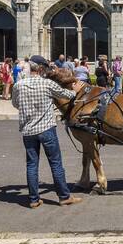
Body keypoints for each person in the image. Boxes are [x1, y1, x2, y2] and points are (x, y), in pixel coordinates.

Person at [11, 55, 83, 209]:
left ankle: (33, 199)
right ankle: (64, 197)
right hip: (46, 128)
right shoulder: (47, 84)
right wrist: (75, 88)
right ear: (42, 69)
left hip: (28, 130)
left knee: (32, 164)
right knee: (55, 163)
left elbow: (16, 104)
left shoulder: (19, 85)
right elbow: (69, 96)